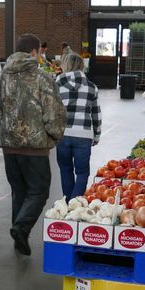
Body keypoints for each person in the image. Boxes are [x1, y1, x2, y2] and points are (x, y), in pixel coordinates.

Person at [0, 31, 66, 256]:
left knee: (19, 192)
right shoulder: (42, 78)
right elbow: (53, 112)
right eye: (40, 52)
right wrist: (54, 136)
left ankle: (19, 236)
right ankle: (21, 228)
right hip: (36, 148)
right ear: (34, 52)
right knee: (39, 192)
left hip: (9, 148)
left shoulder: (0, 77)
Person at [55, 52, 102, 199]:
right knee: (82, 172)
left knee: (65, 169)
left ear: (65, 66)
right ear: (82, 66)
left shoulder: (55, 86)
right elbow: (96, 114)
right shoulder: (92, 87)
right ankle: (74, 204)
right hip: (83, 135)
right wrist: (97, 134)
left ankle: (68, 203)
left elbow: (51, 111)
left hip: (62, 134)